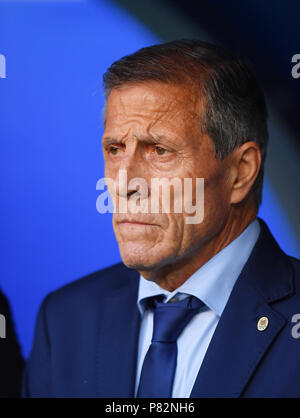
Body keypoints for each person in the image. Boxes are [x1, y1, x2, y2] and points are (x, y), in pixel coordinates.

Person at [23, 39, 300, 398]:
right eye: (114, 149)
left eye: (160, 151)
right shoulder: (64, 320)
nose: (124, 184)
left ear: (240, 172)